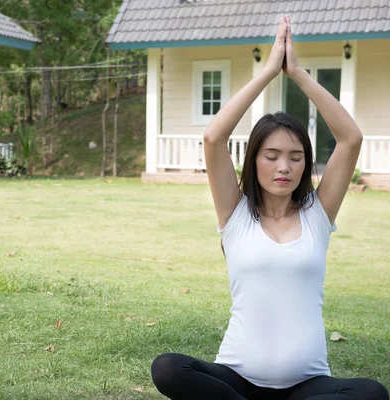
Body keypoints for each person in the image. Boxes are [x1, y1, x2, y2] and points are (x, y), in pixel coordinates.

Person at [150, 16, 389, 400]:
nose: (284, 167)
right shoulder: (236, 214)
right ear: (254, 160)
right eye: (272, 155)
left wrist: (297, 74)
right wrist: (267, 73)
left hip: (307, 384)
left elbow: (351, 137)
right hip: (237, 377)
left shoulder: (318, 214)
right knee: (167, 367)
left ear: (306, 164)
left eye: (296, 157)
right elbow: (214, 138)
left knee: (372, 393)